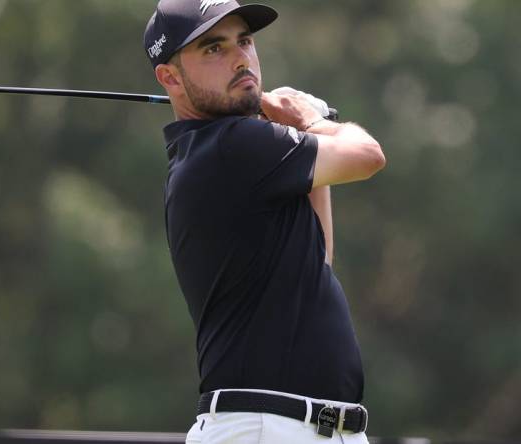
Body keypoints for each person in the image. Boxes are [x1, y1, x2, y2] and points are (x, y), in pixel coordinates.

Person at [143, 1, 386, 443]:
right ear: (170, 77)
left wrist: (301, 135)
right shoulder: (230, 146)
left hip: (302, 427)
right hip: (267, 426)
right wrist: (309, 120)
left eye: (246, 41)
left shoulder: (225, 152)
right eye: (214, 49)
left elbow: (318, 262)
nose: (240, 58)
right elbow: (368, 156)